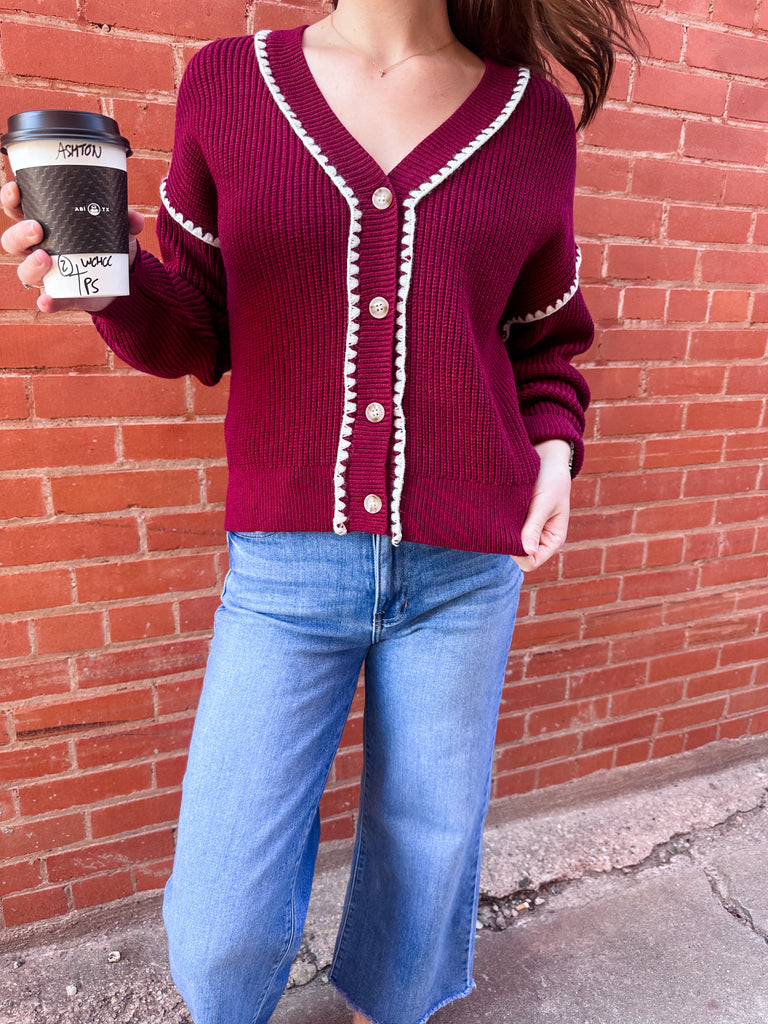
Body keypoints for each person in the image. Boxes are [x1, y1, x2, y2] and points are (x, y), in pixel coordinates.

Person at [1, 1, 639, 1021]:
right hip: (286, 571)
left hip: (467, 568)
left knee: (426, 858)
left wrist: (556, 451)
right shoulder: (228, 84)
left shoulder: (531, 118)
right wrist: (108, 285)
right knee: (223, 920)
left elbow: (544, 334)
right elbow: (198, 323)